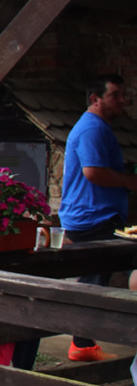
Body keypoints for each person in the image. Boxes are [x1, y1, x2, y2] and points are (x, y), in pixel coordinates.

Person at [59, 73, 137, 361]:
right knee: (95, 279)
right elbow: (92, 172)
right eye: (116, 95)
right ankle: (81, 343)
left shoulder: (97, 127)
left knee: (96, 277)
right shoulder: (92, 129)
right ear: (96, 99)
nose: (123, 101)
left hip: (96, 216)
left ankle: (83, 342)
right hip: (93, 219)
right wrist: (130, 182)